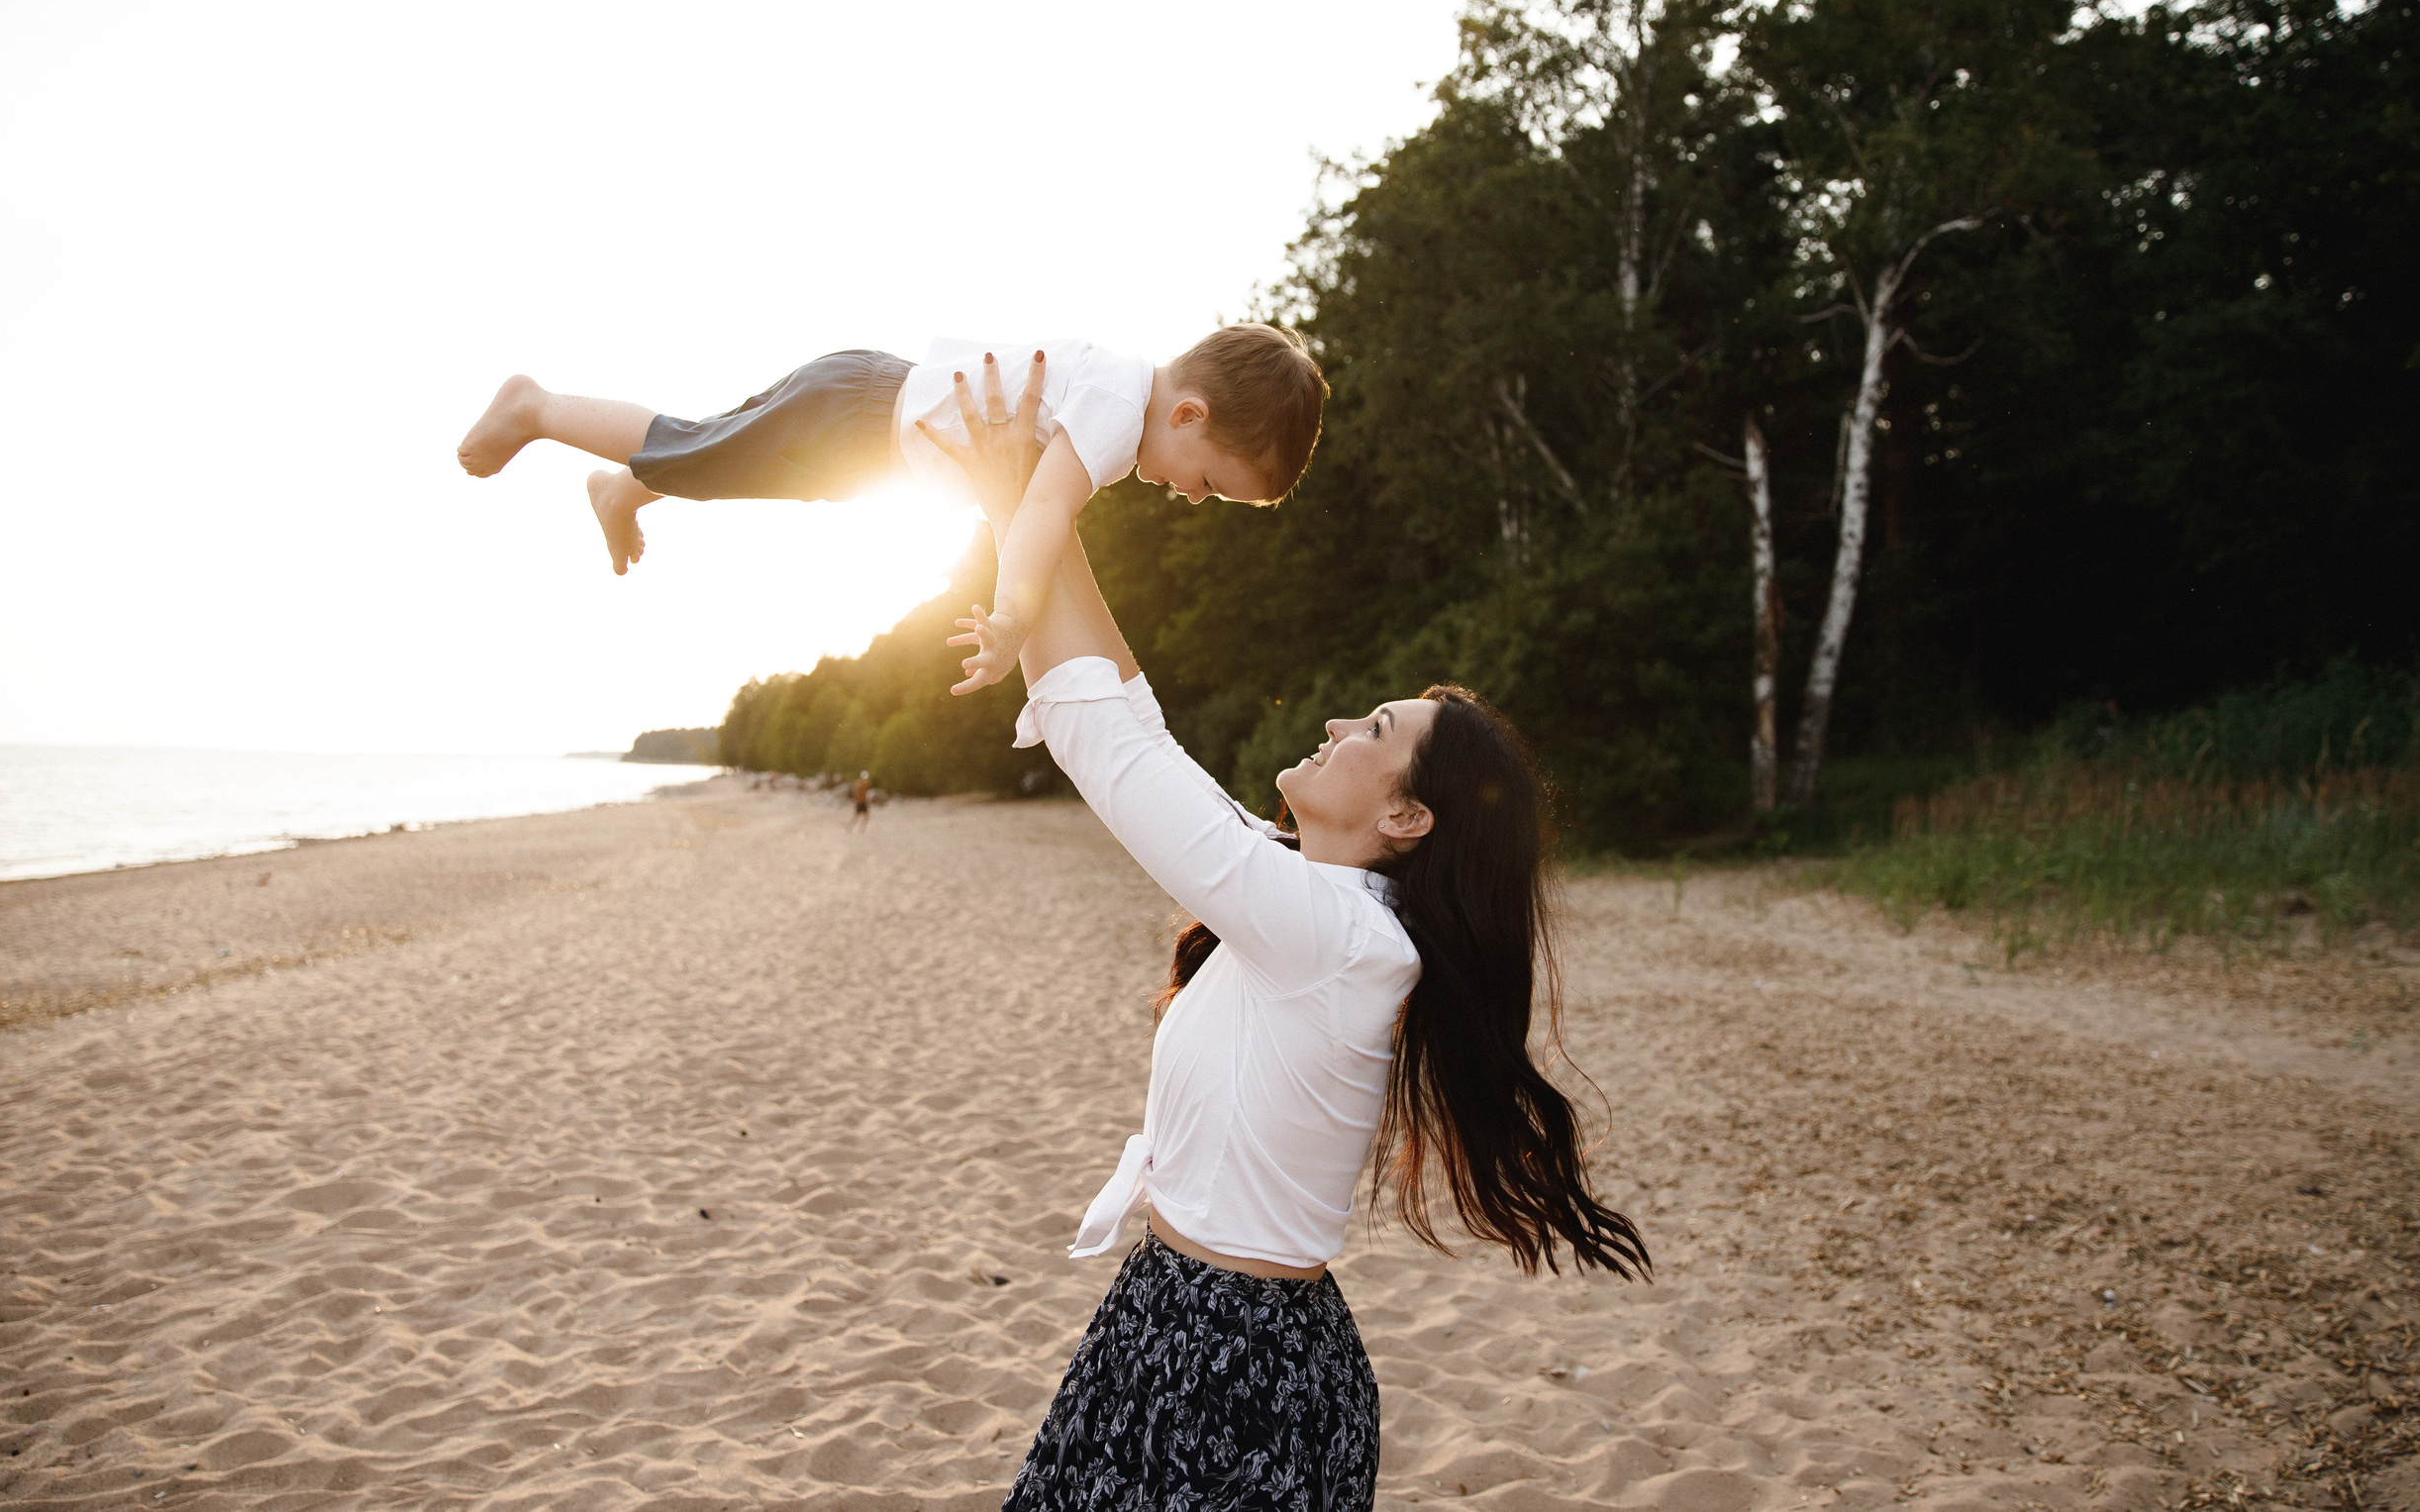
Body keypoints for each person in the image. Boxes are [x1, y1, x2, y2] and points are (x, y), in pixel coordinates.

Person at [933, 360, 1650, 1511]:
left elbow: (1107, 753)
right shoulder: (1309, 902)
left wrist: (1020, 498)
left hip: (1232, 1372)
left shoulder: (1338, 939)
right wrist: (1031, 501)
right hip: (1177, 1325)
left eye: (1375, 726)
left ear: (1407, 817)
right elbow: (1128, 713)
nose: (1336, 719)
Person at [454, 328, 1326, 689]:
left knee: (704, 449)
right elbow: (1041, 515)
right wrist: (1016, 617)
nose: (1187, 495)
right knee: (698, 449)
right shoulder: (1111, 413)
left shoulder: (1116, 383)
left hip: (863, 406)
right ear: (1190, 416)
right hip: (855, 423)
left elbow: (1029, 499)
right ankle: (537, 409)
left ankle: (624, 486)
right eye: (1207, 481)